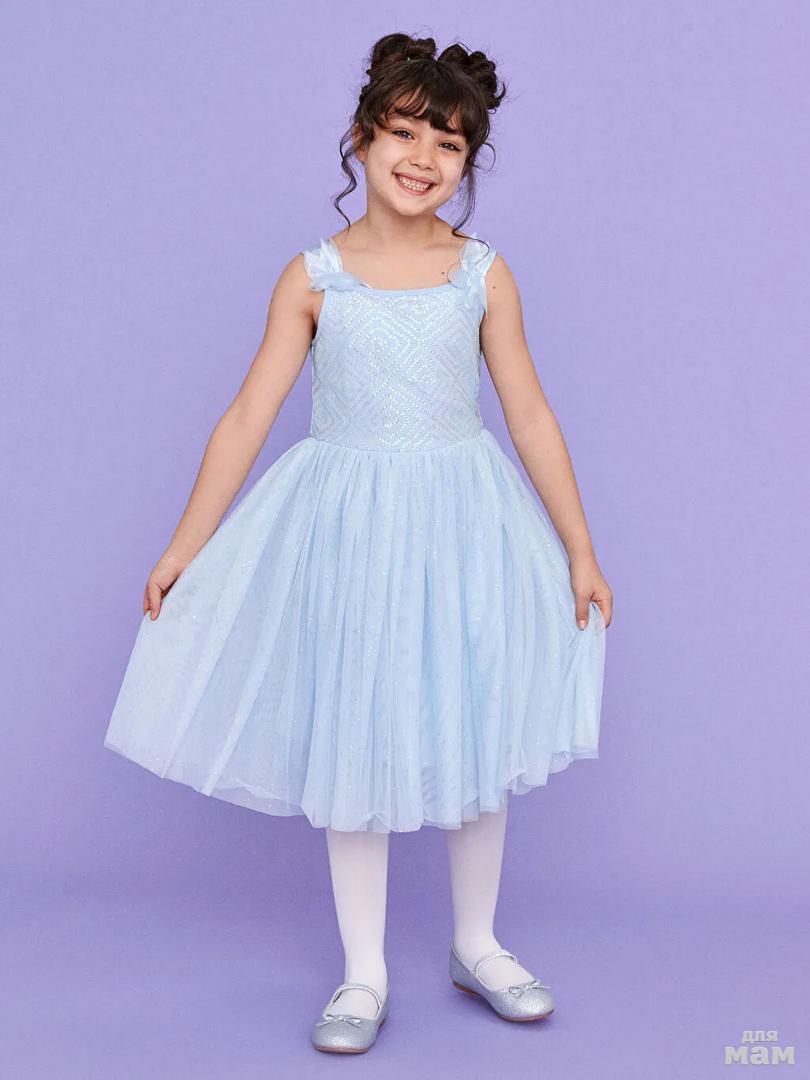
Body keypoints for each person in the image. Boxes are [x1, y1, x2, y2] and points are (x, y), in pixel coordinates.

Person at [103, 31, 612, 1054]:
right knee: (357, 727)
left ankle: (477, 941)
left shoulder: (481, 275)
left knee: (474, 720)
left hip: (463, 523)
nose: (425, 158)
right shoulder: (314, 277)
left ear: (469, 164)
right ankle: (363, 969)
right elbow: (246, 418)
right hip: (350, 529)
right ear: (363, 136)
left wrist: (580, 548)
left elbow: (531, 417)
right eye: (407, 132)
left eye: (451, 144)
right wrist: (183, 546)